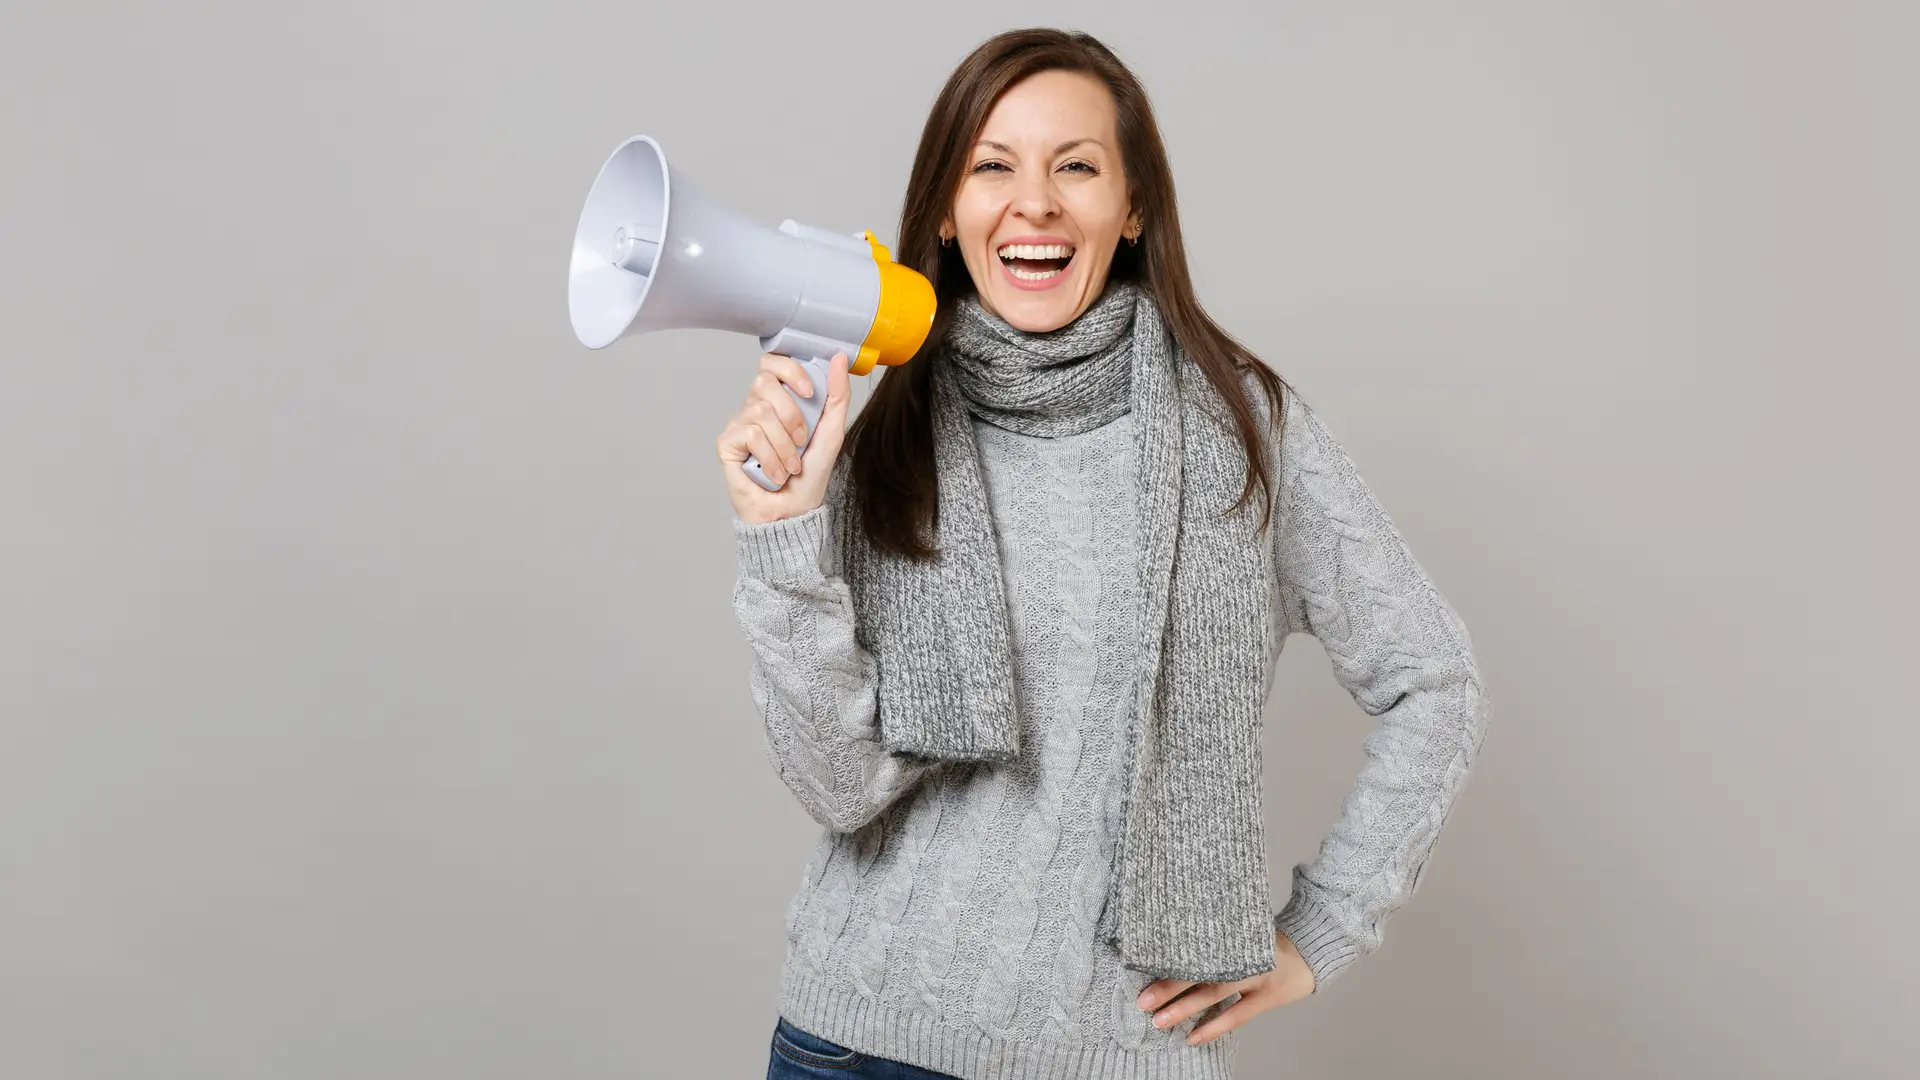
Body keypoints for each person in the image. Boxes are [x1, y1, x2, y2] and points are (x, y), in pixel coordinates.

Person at [718, 28, 1490, 1080]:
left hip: (1117, 1058)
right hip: (857, 1044)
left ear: (1131, 212)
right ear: (947, 211)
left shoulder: (1246, 431)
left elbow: (1434, 682)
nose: (1033, 203)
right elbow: (837, 786)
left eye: (1074, 167)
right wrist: (782, 534)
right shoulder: (883, 434)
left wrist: (1323, 932)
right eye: (992, 166)